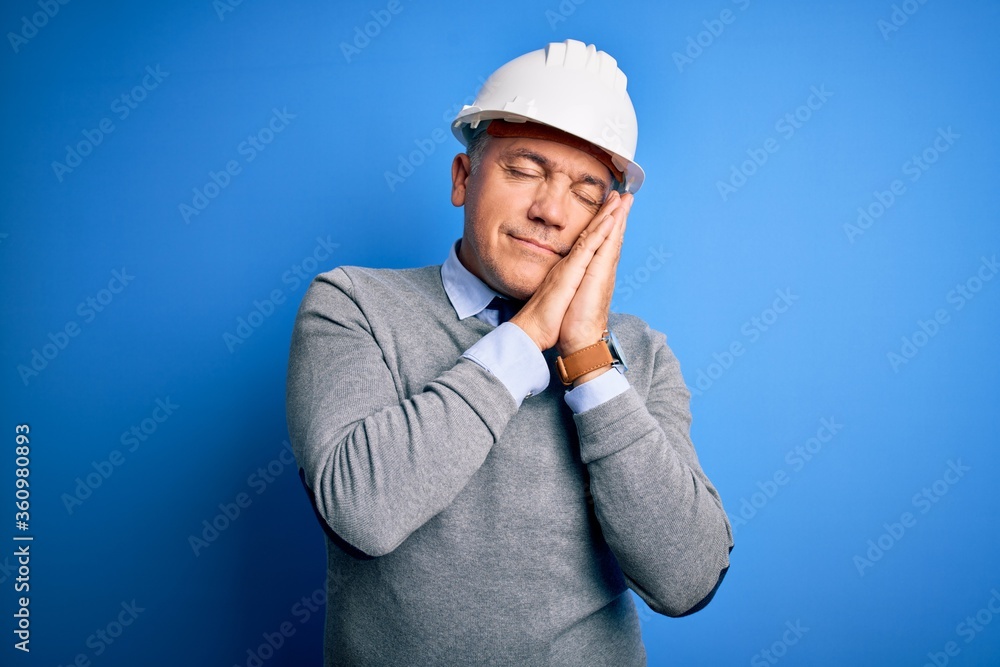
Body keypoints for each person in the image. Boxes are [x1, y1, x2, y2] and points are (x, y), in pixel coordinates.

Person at [286, 38, 733, 666]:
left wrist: (588, 361)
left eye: (585, 191)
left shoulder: (640, 353)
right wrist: (527, 336)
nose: (550, 210)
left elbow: (687, 580)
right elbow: (363, 514)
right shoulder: (353, 305)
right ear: (463, 178)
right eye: (524, 169)